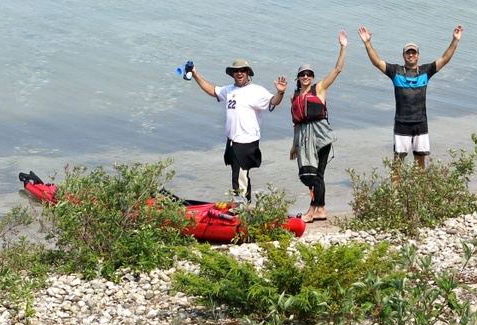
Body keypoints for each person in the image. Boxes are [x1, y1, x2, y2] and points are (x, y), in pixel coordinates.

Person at [358, 25, 463, 168]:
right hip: (402, 123)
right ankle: (396, 191)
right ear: (404, 55)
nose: (411, 55)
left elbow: (445, 59)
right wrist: (367, 43)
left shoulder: (426, 71)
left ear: (418, 55)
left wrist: (455, 40)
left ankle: (419, 191)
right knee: (398, 162)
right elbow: (377, 62)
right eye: (408, 53)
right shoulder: (396, 71)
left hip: (420, 123)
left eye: (414, 53)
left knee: (420, 161)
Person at [190, 58, 286, 201]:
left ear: (248, 73)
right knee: (238, 174)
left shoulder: (257, 90)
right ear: (232, 74)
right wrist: (196, 75)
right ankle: (242, 204)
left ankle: (242, 208)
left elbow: (273, 102)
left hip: (247, 140)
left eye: (242, 71)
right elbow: (212, 90)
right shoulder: (229, 90)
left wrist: (280, 93)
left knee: (240, 176)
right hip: (232, 140)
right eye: (236, 71)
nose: (239, 73)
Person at [288, 30, 348, 221]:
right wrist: (293, 145)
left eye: (309, 74)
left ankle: (316, 210)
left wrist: (343, 47)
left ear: (312, 77)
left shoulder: (319, 89)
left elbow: (337, 70)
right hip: (304, 138)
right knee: (307, 174)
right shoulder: (294, 97)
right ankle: (318, 208)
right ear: (298, 78)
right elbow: (296, 123)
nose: (306, 77)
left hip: (321, 136)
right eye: (302, 74)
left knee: (317, 174)